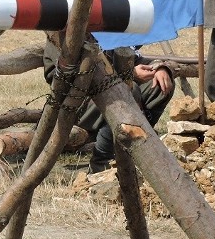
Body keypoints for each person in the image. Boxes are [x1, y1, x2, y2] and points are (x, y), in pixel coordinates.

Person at [43, 43, 175, 173]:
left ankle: (138, 144)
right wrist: (129, 74)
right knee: (126, 91)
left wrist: (159, 68)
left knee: (159, 85)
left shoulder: (105, 35)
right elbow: (67, 80)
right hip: (74, 106)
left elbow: (133, 58)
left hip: (106, 96)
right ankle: (101, 163)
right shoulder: (61, 42)